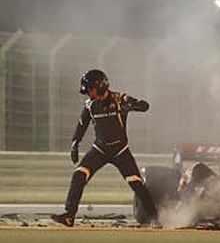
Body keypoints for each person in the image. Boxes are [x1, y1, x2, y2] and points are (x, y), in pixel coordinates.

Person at [51, 69, 159, 227]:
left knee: (136, 183)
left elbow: (145, 106)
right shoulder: (90, 105)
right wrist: (75, 142)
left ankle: (154, 216)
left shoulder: (119, 99)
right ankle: (69, 215)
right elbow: (82, 124)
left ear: (100, 85)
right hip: (99, 149)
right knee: (79, 175)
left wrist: (133, 105)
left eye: (90, 89)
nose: (88, 93)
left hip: (120, 150)